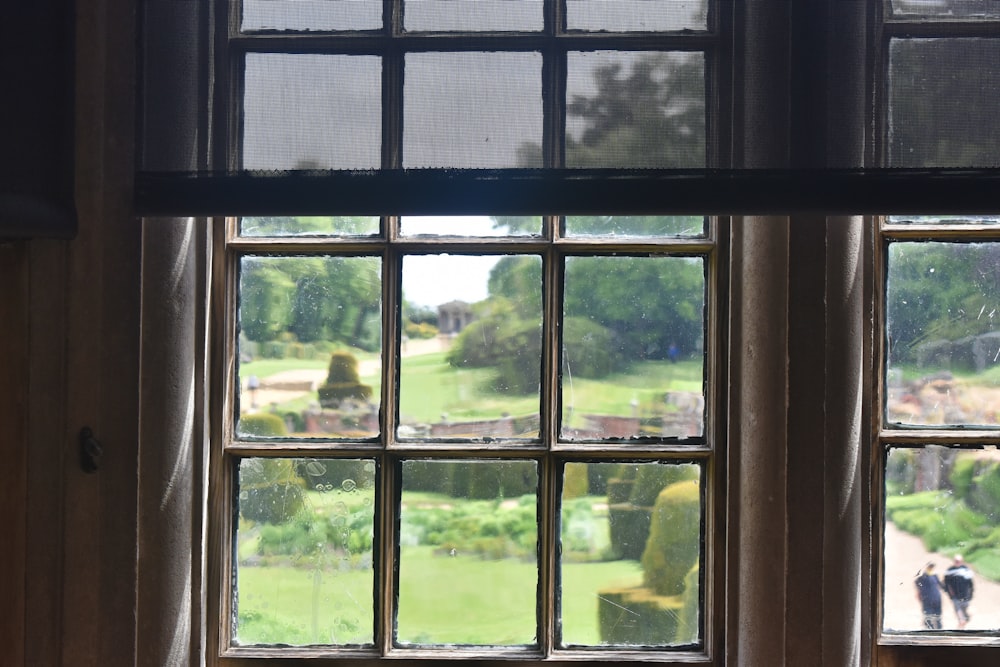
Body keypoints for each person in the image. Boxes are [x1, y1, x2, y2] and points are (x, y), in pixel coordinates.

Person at [944, 554, 974, 629]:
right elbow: (946, 584)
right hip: (955, 596)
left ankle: (964, 620)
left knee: (964, 609)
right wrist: (950, 594)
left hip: (965, 595)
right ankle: (961, 622)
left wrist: (971, 594)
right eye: (956, 561)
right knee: (957, 609)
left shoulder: (966, 570)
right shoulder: (950, 570)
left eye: (959, 561)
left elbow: (971, 584)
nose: (957, 562)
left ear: (962, 561)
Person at [915, 562, 943, 630]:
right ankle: (929, 628)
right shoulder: (922, 577)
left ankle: (938, 628)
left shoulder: (935, 576)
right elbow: (917, 584)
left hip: (936, 598)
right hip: (927, 598)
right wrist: (920, 592)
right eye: (930, 567)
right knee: (928, 615)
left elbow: (941, 585)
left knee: (937, 614)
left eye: (932, 567)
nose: (931, 568)